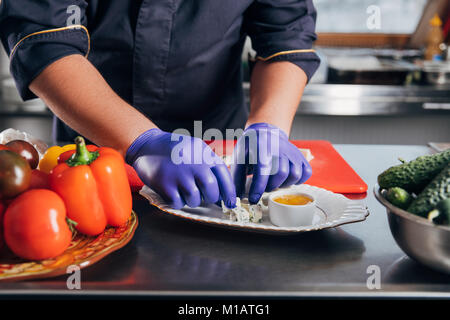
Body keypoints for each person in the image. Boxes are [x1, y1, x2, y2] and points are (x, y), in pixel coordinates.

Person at [0, 1, 320, 209]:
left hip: (219, 149)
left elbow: (285, 34)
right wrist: (142, 140)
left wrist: (269, 125)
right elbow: (43, 38)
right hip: (93, 157)